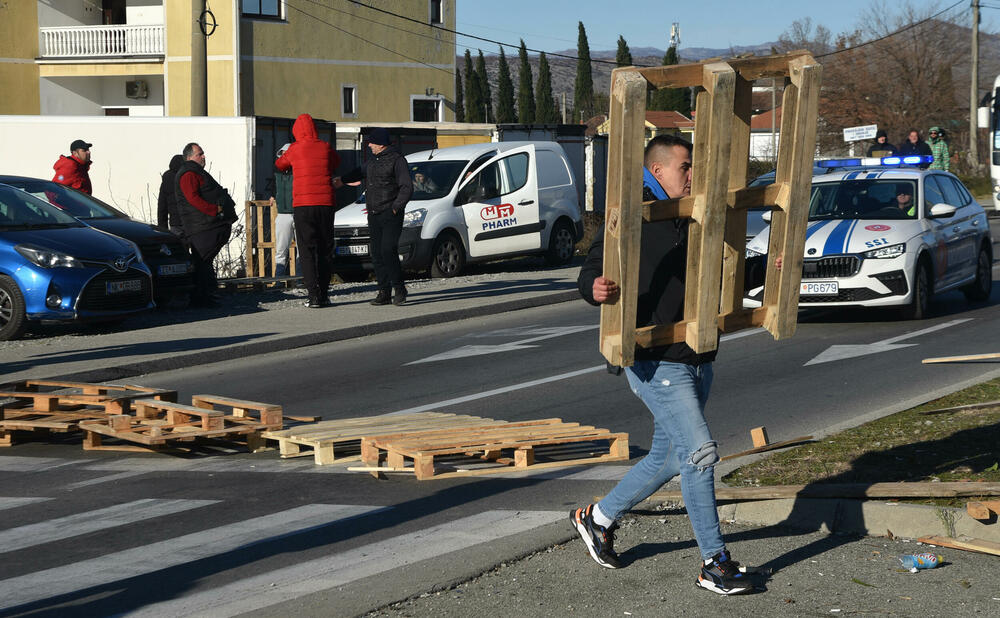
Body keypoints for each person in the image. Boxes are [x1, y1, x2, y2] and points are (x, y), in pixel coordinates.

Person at [570, 134, 753, 596]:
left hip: (698, 356)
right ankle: (714, 563)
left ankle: (598, 518)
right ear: (658, 171)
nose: (692, 175)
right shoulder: (631, 217)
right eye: (685, 167)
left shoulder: (697, 215)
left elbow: (726, 270)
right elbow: (592, 267)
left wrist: (766, 268)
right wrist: (594, 288)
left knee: (668, 457)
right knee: (700, 454)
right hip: (654, 360)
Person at [335, 128, 413, 306]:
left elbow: (407, 187)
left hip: (390, 213)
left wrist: (396, 207)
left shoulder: (397, 160)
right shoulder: (372, 161)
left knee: (388, 250)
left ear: (381, 144)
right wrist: (342, 180)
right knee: (376, 254)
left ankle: (399, 289)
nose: (369, 145)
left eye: (372, 142)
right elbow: (358, 172)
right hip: (373, 213)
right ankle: (384, 292)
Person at [275, 114, 341, 308]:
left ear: (296, 131)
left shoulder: (295, 148)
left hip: (303, 205)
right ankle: (324, 294)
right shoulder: (325, 146)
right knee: (325, 249)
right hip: (326, 204)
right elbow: (336, 162)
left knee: (307, 250)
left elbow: (280, 164)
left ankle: (313, 296)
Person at [175, 142, 236, 307]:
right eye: (199, 154)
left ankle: (206, 296)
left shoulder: (196, 172)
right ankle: (201, 298)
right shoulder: (188, 174)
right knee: (201, 262)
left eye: (202, 153)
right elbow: (193, 198)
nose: (203, 157)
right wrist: (214, 210)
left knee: (204, 262)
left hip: (207, 225)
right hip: (202, 227)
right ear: (189, 157)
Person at [269, 143, 295, 277]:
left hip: (298, 211)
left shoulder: (299, 169)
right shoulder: (277, 169)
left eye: (287, 153)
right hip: (283, 213)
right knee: (280, 249)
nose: (285, 156)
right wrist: (273, 195)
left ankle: (301, 280)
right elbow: (273, 185)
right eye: (283, 153)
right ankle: (279, 279)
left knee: (302, 250)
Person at [157, 154, 186, 237]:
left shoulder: (166, 179)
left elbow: (162, 206)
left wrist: (163, 228)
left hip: (175, 223)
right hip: (191, 222)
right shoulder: (188, 176)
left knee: (177, 244)